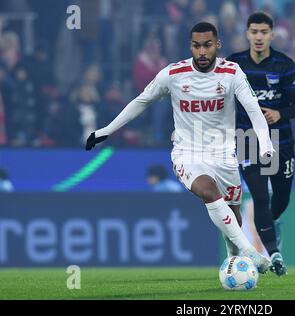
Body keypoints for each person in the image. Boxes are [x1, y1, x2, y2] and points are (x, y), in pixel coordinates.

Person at [85, 22, 274, 273]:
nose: (202, 52)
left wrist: (266, 145)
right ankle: (251, 252)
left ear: (217, 44)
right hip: (187, 152)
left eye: (208, 45)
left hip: (224, 153)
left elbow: (253, 109)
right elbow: (141, 101)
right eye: (197, 46)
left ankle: (233, 261)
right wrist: (105, 131)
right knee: (208, 191)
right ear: (191, 46)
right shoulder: (174, 74)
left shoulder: (232, 73)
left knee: (233, 214)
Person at [227, 12, 295, 276]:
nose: (259, 37)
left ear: (272, 34)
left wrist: (279, 113)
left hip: (280, 138)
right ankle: (273, 254)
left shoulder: (284, 65)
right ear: (247, 34)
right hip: (248, 138)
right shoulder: (234, 64)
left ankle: (272, 224)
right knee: (260, 196)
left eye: (264, 32)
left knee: (281, 197)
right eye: (254, 32)